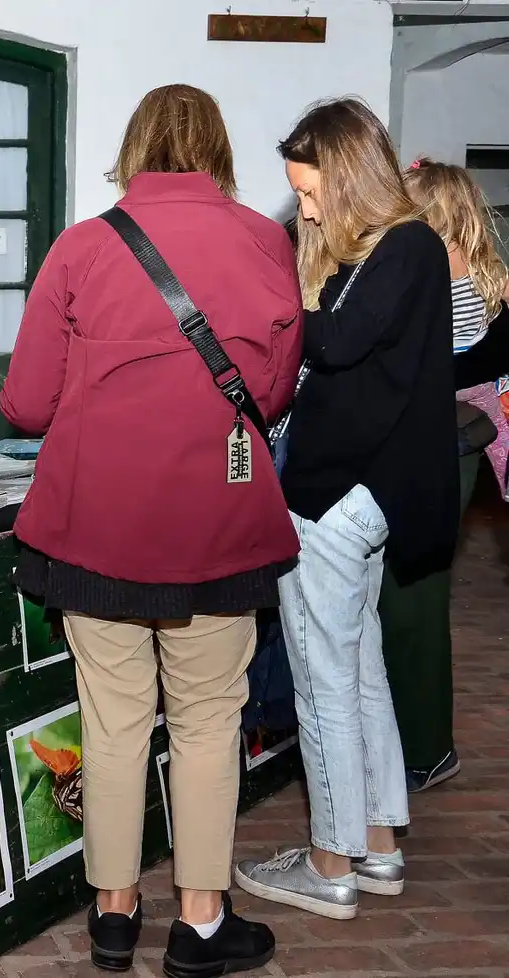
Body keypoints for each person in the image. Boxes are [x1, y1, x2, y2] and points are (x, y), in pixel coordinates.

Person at [0, 84, 301, 976]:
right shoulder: (265, 241)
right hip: (218, 525)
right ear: (217, 150)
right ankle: (201, 922)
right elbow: (273, 393)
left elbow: (26, 405)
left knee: (113, 722)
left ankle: (114, 912)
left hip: (95, 529)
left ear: (134, 150)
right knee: (207, 722)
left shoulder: (83, 246)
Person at [236, 98, 457, 921]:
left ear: (348, 174)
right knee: (360, 672)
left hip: (337, 498)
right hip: (366, 495)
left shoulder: (404, 246)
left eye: (312, 192)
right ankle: (379, 841)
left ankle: (330, 864)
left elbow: (332, 343)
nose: (307, 209)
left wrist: (267, 301)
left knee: (324, 683)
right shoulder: (398, 249)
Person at [378, 158, 509, 793]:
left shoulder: (452, 290)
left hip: (443, 450)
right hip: (445, 449)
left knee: (412, 599)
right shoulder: (473, 279)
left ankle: (426, 749)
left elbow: (428, 369)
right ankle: (416, 744)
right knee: (411, 596)